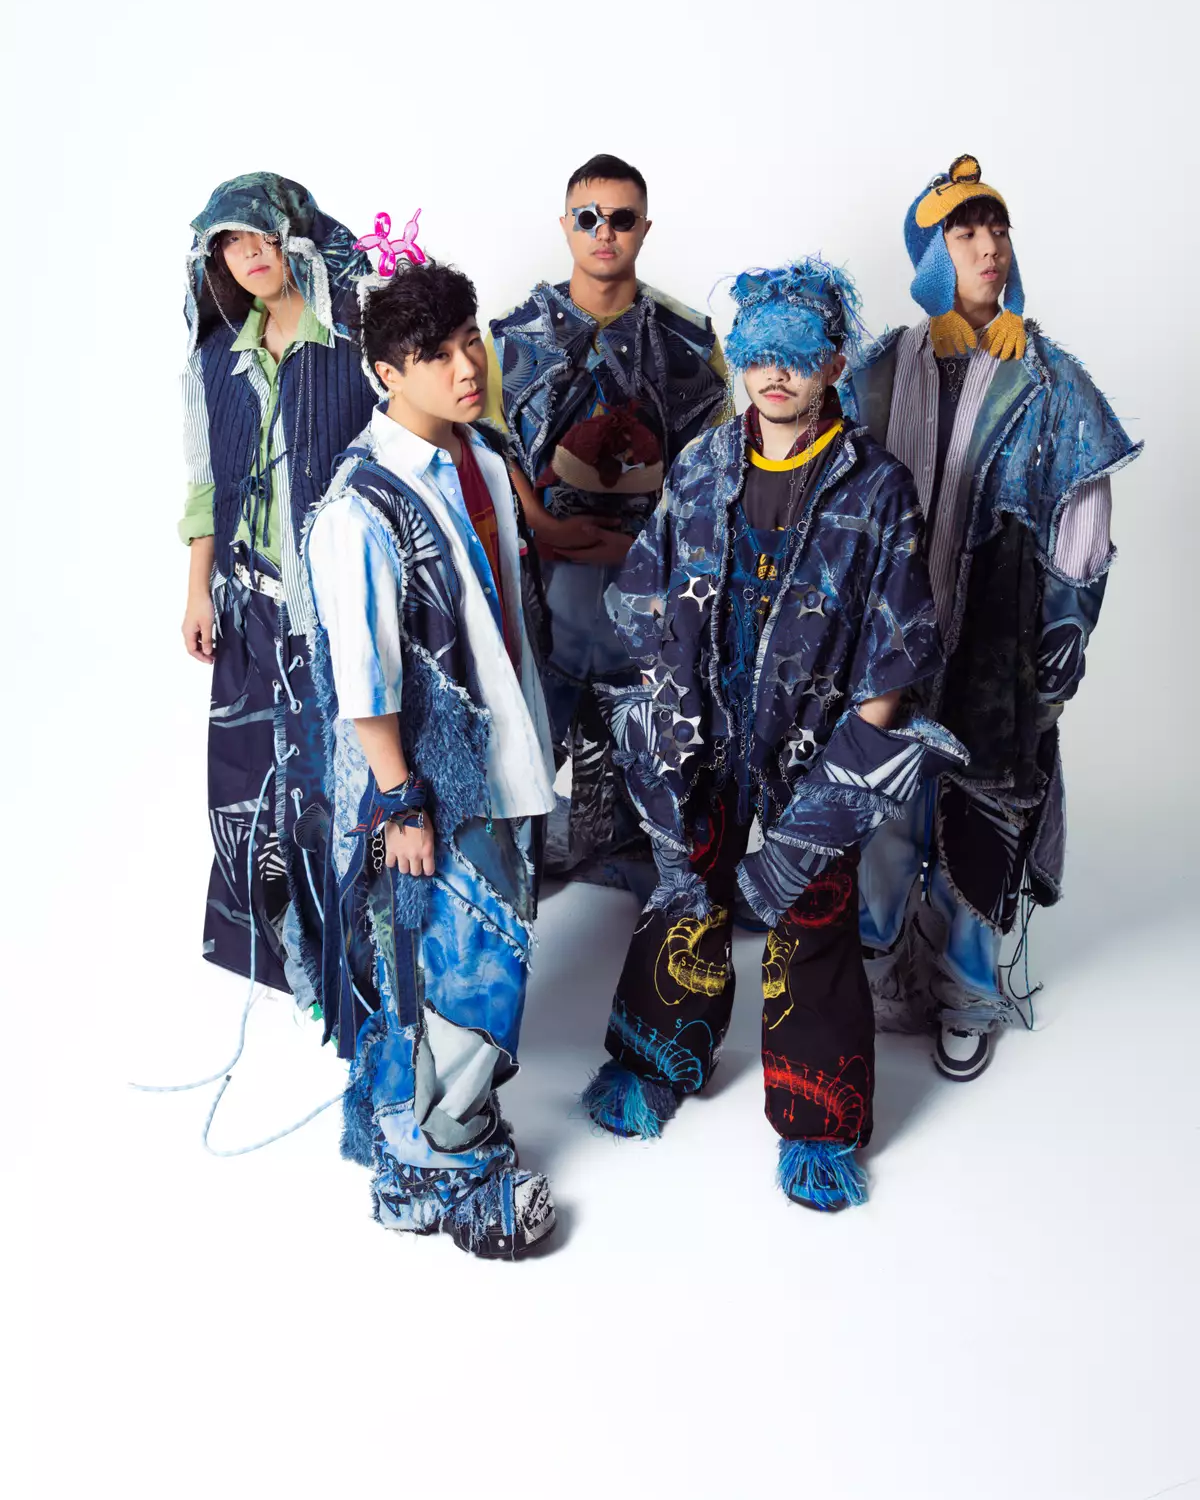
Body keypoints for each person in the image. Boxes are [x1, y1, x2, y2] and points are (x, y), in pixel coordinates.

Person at [582, 259, 965, 1211]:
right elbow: (643, 596)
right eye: (758, 356)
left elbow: (896, 656)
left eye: (797, 357)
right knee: (684, 891)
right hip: (702, 730)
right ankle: (654, 1061)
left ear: (834, 363)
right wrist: (663, 716)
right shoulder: (705, 463)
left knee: (813, 919)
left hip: (814, 746)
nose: (775, 376)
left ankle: (819, 1122)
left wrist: (845, 778)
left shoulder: (877, 487)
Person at [847, 156, 1141, 1081]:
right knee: (881, 803)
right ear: (931, 253)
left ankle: (968, 990)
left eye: (998, 229)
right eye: (965, 232)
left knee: (983, 814)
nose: (989, 247)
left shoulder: (1049, 380)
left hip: (997, 637)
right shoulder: (880, 369)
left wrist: (1063, 636)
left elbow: (1082, 519)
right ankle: (879, 967)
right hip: (887, 631)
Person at [304, 256, 559, 1258]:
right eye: (435, 355)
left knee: (485, 953)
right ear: (386, 372)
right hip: (430, 789)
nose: (465, 367)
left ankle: (426, 1134)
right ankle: (442, 1161)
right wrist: (402, 803)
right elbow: (363, 682)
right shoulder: (360, 507)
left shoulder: (479, 456)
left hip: (502, 757)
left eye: (468, 343)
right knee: (458, 970)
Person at [484, 153, 730, 883]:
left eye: (621, 219)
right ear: (565, 225)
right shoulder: (512, 337)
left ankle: (638, 862)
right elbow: (482, 448)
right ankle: (515, 873)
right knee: (527, 738)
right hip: (539, 587)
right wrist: (542, 523)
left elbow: (716, 470)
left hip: (648, 592)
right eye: (588, 217)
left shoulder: (689, 342)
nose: (604, 232)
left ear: (644, 229)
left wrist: (644, 547)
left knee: (652, 751)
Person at [179, 173, 379, 1004]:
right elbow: (204, 483)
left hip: (332, 604)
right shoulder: (216, 355)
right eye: (229, 243)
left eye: (260, 235)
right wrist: (199, 589)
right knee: (243, 779)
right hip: (244, 600)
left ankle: (349, 961)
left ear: (297, 236)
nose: (248, 254)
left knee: (332, 780)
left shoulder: (357, 340)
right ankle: (262, 952)